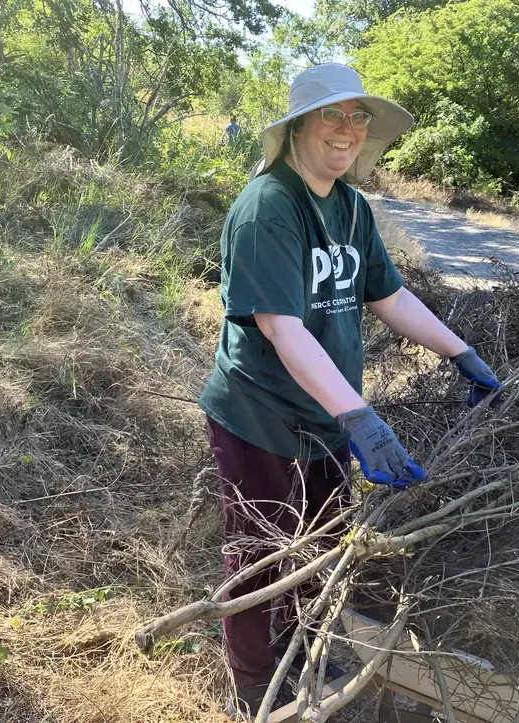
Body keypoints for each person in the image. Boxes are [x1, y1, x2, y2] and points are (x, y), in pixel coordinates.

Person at [198, 63, 503, 719]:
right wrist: (362, 416)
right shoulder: (267, 208)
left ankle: (304, 650)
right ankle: (255, 687)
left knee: (320, 544)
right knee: (262, 554)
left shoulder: (350, 206)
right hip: (259, 416)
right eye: (331, 116)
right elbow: (282, 329)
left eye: (357, 118)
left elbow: (388, 296)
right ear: (300, 126)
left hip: (324, 417)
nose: (346, 131)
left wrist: (462, 352)